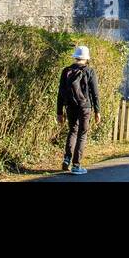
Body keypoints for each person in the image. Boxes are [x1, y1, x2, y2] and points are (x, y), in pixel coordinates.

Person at [56, 45, 101, 174]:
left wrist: (59, 112)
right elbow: (95, 93)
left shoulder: (66, 71)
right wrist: (97, 111)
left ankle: (67, 159)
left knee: (72, 131)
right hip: (84, 107)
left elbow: (60, 93)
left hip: (70, 106)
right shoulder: (90, 71)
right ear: (87, 58)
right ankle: (76, 165)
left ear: (75, 57)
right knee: (82, 133)